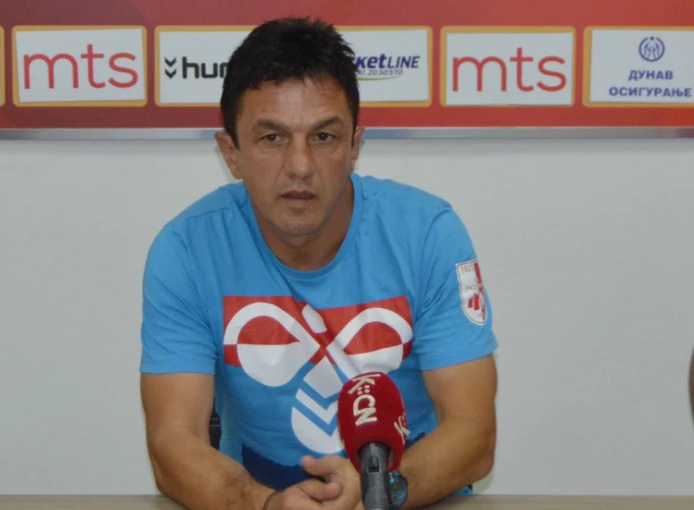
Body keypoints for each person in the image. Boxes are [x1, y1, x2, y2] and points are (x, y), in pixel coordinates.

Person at [139, 16, 498, 510]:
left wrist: (380, 492)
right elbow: (172, 442)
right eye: (272, 138)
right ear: (231, 153)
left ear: (354, 147)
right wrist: (267, 504)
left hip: (409, 495)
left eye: (324, 137)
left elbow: (474, 433)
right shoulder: (186, 250)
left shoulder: (427, 234)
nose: (300, 166)